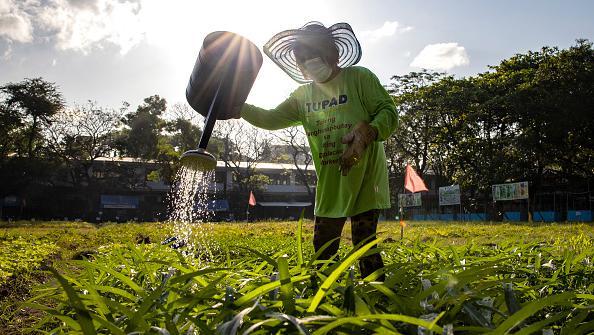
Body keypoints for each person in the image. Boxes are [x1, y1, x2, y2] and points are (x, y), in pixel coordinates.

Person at [240, 22, 398, 279]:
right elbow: (269, 119)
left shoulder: (359, 78)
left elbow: (388, 112)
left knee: (364, 244)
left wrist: (366, 134)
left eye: (314, 52)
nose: (308, 61)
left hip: (366, 178)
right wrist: (237, 107)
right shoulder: (302, 96)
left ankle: (376, 296)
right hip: (331, 180)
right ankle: (321, 300)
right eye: (301, 58)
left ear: (333, 53)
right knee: (323, 249)